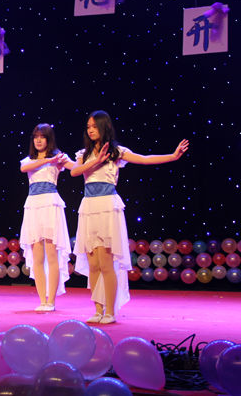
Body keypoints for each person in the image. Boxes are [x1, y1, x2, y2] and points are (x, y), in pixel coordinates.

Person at [71, 110, 189, 324]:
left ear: (104, 127)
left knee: (106, 263)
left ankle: (110, 311)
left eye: (94, 126)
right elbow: (75, 172)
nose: (90, 130)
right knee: (93, 264)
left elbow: (144, 159)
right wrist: (96, 160)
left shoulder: (117, 151)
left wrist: (172, 156)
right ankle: (97, 310)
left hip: (108, 207)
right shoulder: (84, 154)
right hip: (88, 208)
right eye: (88, 126)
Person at [19, 123, 74, 312]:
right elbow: (25, 168)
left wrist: (72, 160)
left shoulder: (58, 157)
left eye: (42, 137)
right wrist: (49, 160)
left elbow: (76, 168)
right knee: (37, 257)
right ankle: (43, 300)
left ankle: (51, 301)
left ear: (49, 139)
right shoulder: (29, 160)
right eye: (36, 137)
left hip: (50, 204)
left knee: (52, 255)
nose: (38, 140)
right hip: (33, 206)